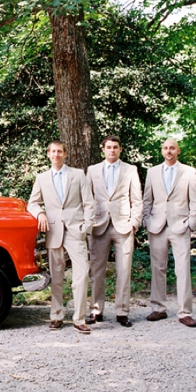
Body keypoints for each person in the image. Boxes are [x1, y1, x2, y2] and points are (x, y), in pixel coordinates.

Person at [28, 141, 96, 334]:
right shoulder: (42, 178)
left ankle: (79, 318)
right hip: (54, 230)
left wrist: (86, 226)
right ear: (48, 154)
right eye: (53, 152)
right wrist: (40, 214)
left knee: (81, 273)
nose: (56, 155)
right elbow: (32, 203)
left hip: (76, 229)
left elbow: (89, 202)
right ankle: (56, 315)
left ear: (65, 154)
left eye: (60, 152)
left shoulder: (78, 174)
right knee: (57, 276)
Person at [142, 138, 196, 327]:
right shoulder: (152, 172)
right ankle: (158, 308)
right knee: (158, 267)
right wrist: (147, 220)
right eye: (166, 148)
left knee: (182, 268)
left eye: (172, 148)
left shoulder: (189, 172)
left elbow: (195, 200)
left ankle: (184, 312)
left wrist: (191, 222)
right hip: (157, 225)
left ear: (178, 151)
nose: (169, 151)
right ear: (162, 151)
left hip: (180, 225)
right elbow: (147, 199)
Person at [86, 135, 142, 327]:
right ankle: (96, 310)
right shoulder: (92, 170)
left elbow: (137, 199)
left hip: (123, 225)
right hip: (99, 225)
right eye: (108, 147)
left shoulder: (130, 170)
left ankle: (122, 312)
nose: (112, 150)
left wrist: (134, 222)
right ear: (103, 149)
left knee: (124, 270)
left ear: (120, 149)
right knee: (97, 270)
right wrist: (88, 222)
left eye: (115, 147)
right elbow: (87, 198)